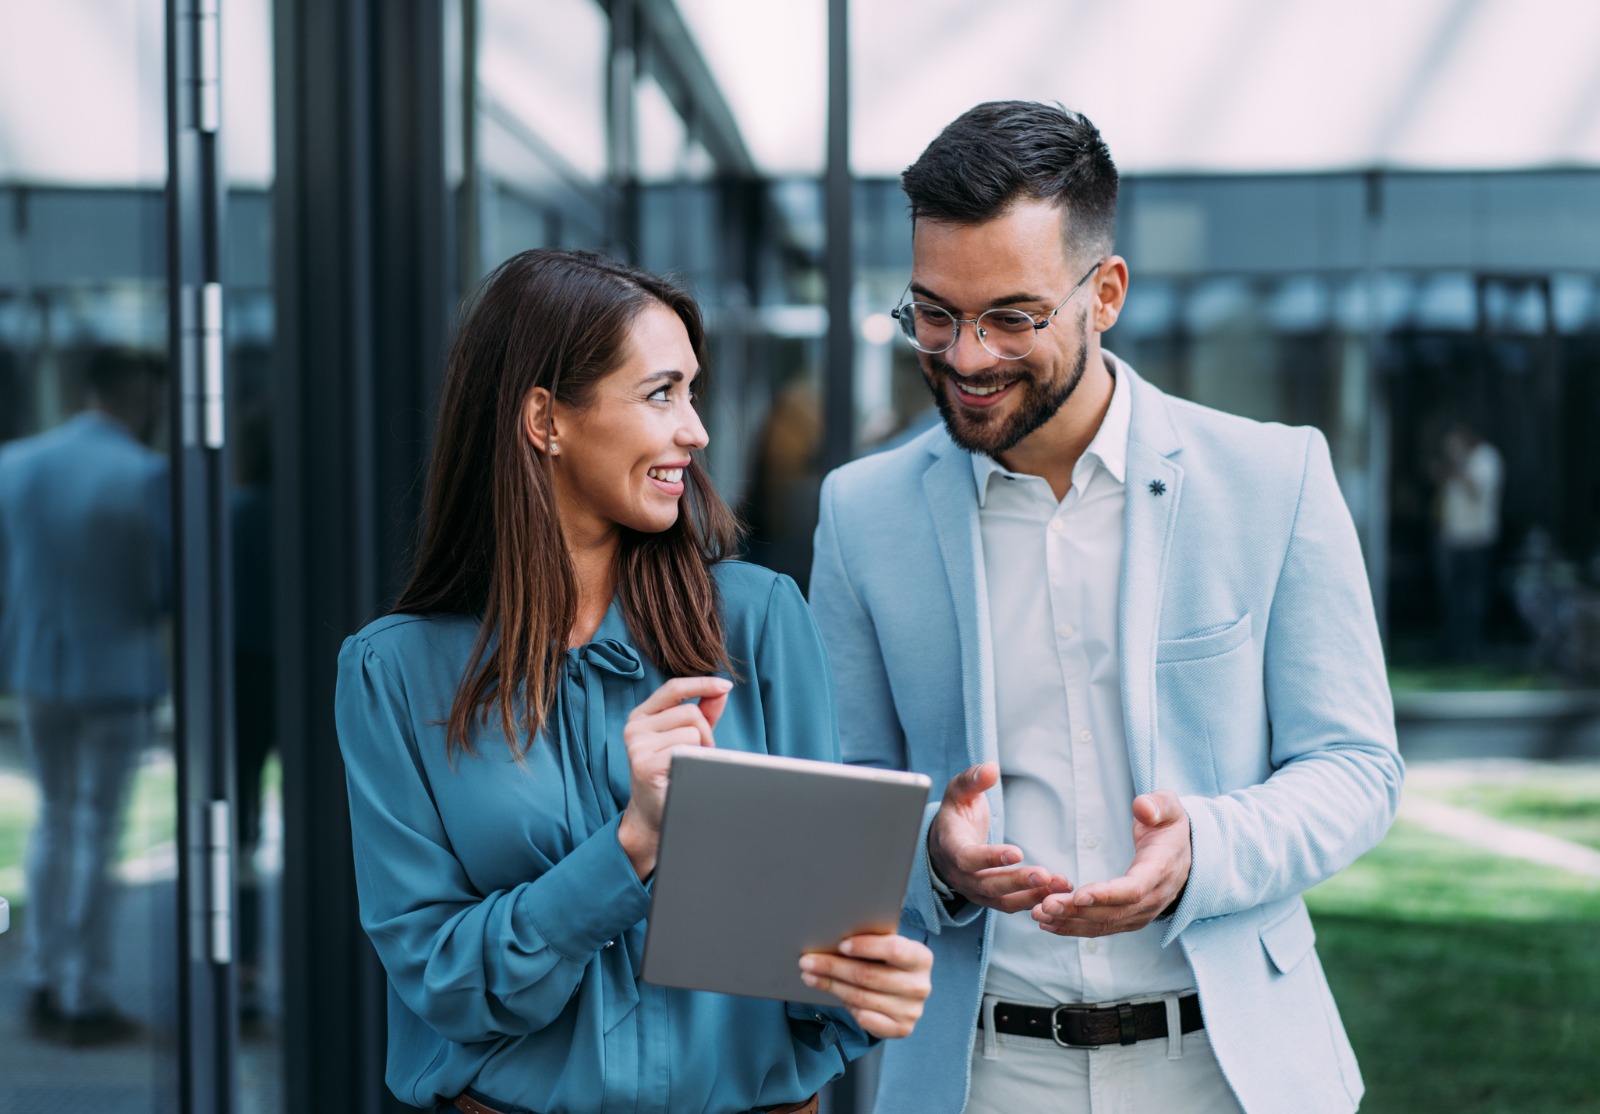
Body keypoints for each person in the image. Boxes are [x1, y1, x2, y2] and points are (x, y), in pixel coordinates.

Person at [807, 102, 1403, 1114]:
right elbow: (840, 788)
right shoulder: (860, 513)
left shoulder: (1273, 476)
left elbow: (1356, 768)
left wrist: (1203, 850)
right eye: (933, 314)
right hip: (975, 1071)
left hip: (1227, 1067)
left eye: (1011, 317)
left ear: (1106, 292)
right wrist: (933, 855)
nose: (963, 358)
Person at [334, 249, 933, 1114]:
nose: (696, 429)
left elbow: (815, 966)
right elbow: (444, 984)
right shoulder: (394, 673)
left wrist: (870, 983)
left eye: (693, 392)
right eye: (661, 394)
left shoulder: (759, 622)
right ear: (546, 417)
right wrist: (634, 843)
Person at [0, 347, 170, 1046]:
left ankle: (45, 974)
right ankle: (84, 991)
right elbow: (160, 587)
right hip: (116, 674)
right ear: (132, 393)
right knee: (97, 832)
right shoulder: (144, 473)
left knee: (54, 821)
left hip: (39, 666)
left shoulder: (16, 464)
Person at [1432, 421, 1504, 659]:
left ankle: (1473, 643)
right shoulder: (1460, 462)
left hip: (1477, 539)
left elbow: (1475, 490)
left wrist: (1458, 461)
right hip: (1454, 538)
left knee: (1473, 595)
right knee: (1454, 594)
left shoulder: (1486, 458)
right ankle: (1455, 642)